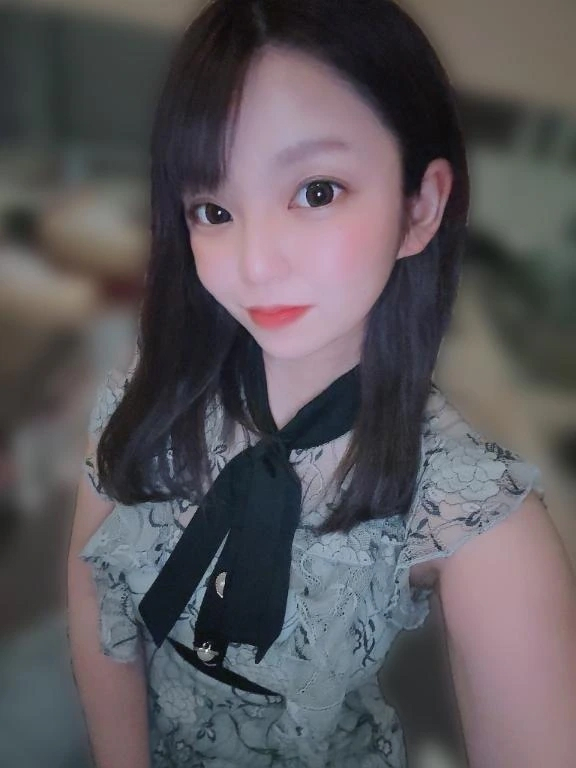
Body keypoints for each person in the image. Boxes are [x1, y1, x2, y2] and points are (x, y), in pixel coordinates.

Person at [67, 1, 576, 766]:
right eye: (213, 208)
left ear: (419, 207)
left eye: (316, 192)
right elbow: (93, 593)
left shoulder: (474, 513)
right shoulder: (154, 381)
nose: (255, 263)